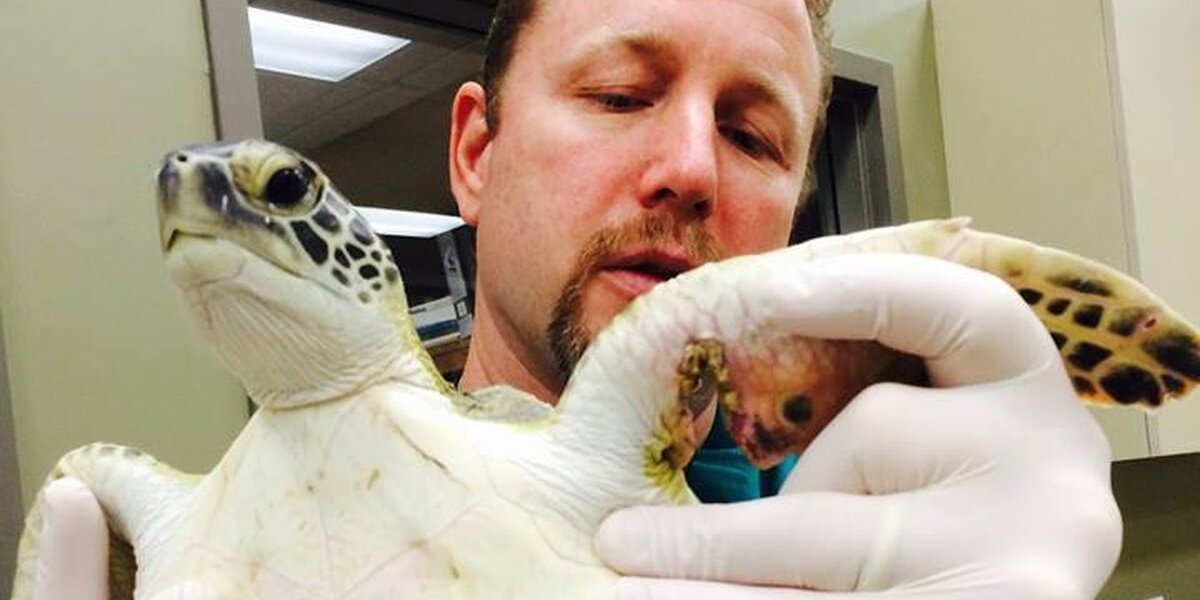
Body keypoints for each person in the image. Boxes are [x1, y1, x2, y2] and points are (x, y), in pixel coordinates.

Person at [33, 0, 1122, 597]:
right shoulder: (189, 534)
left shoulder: (888, 522)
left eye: (751, 134)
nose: (691, 167)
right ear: (474, 151)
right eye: (618, 94)